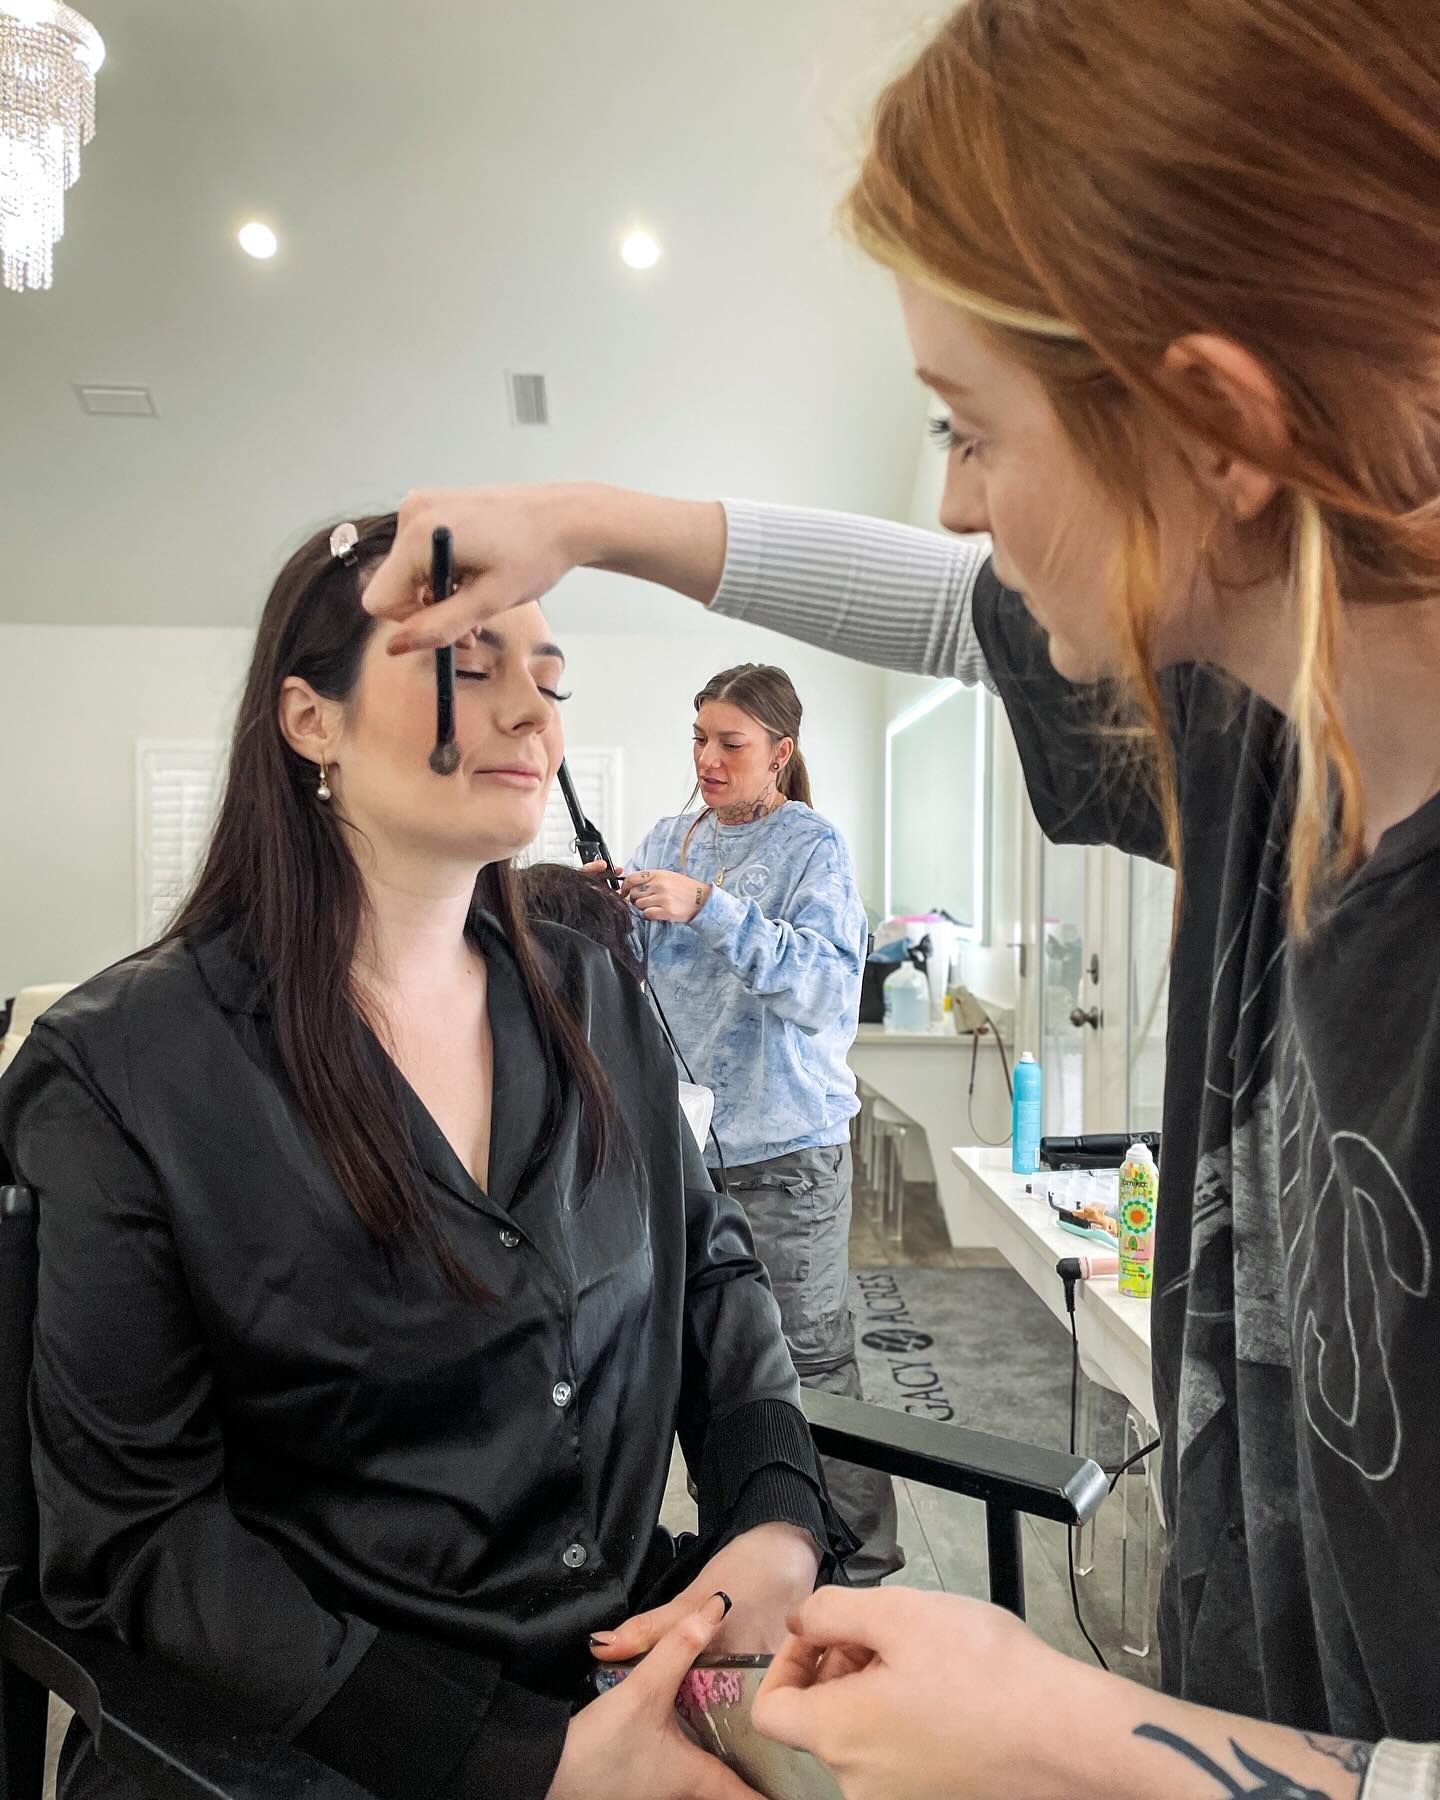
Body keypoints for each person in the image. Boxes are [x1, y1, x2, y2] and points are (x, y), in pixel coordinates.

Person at [358, 0, 1440, 1784]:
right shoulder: (1261, 726)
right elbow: (955, 611)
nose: (951, 505)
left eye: (969, 429)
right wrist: (595, 519)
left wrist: (1088, 1733)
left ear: (1217, 429)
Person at [0, 513, 859, 1800]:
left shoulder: (592, 994)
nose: (532, 715)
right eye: (468, 664)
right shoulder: (125, 1070)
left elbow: (711, 1277)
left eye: (549, 676)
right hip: (324, 1744)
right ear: (311, 722)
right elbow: (141, 1540)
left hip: (628, 1677)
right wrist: (536, 1765)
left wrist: (779, 1524)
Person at [622, 662, 902, 1585]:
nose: (707, 757)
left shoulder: (813, 849)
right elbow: (641, 979)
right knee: (716, 1362)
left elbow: (825, 989)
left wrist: (707, 907)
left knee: (807, 1360)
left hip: (788, 1157)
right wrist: (605, 906)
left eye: (730, 743)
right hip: (689, 1156)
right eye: (698, 739)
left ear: (780, 752)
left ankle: (855, 1564)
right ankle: (744, 1549)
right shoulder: (671, 836)